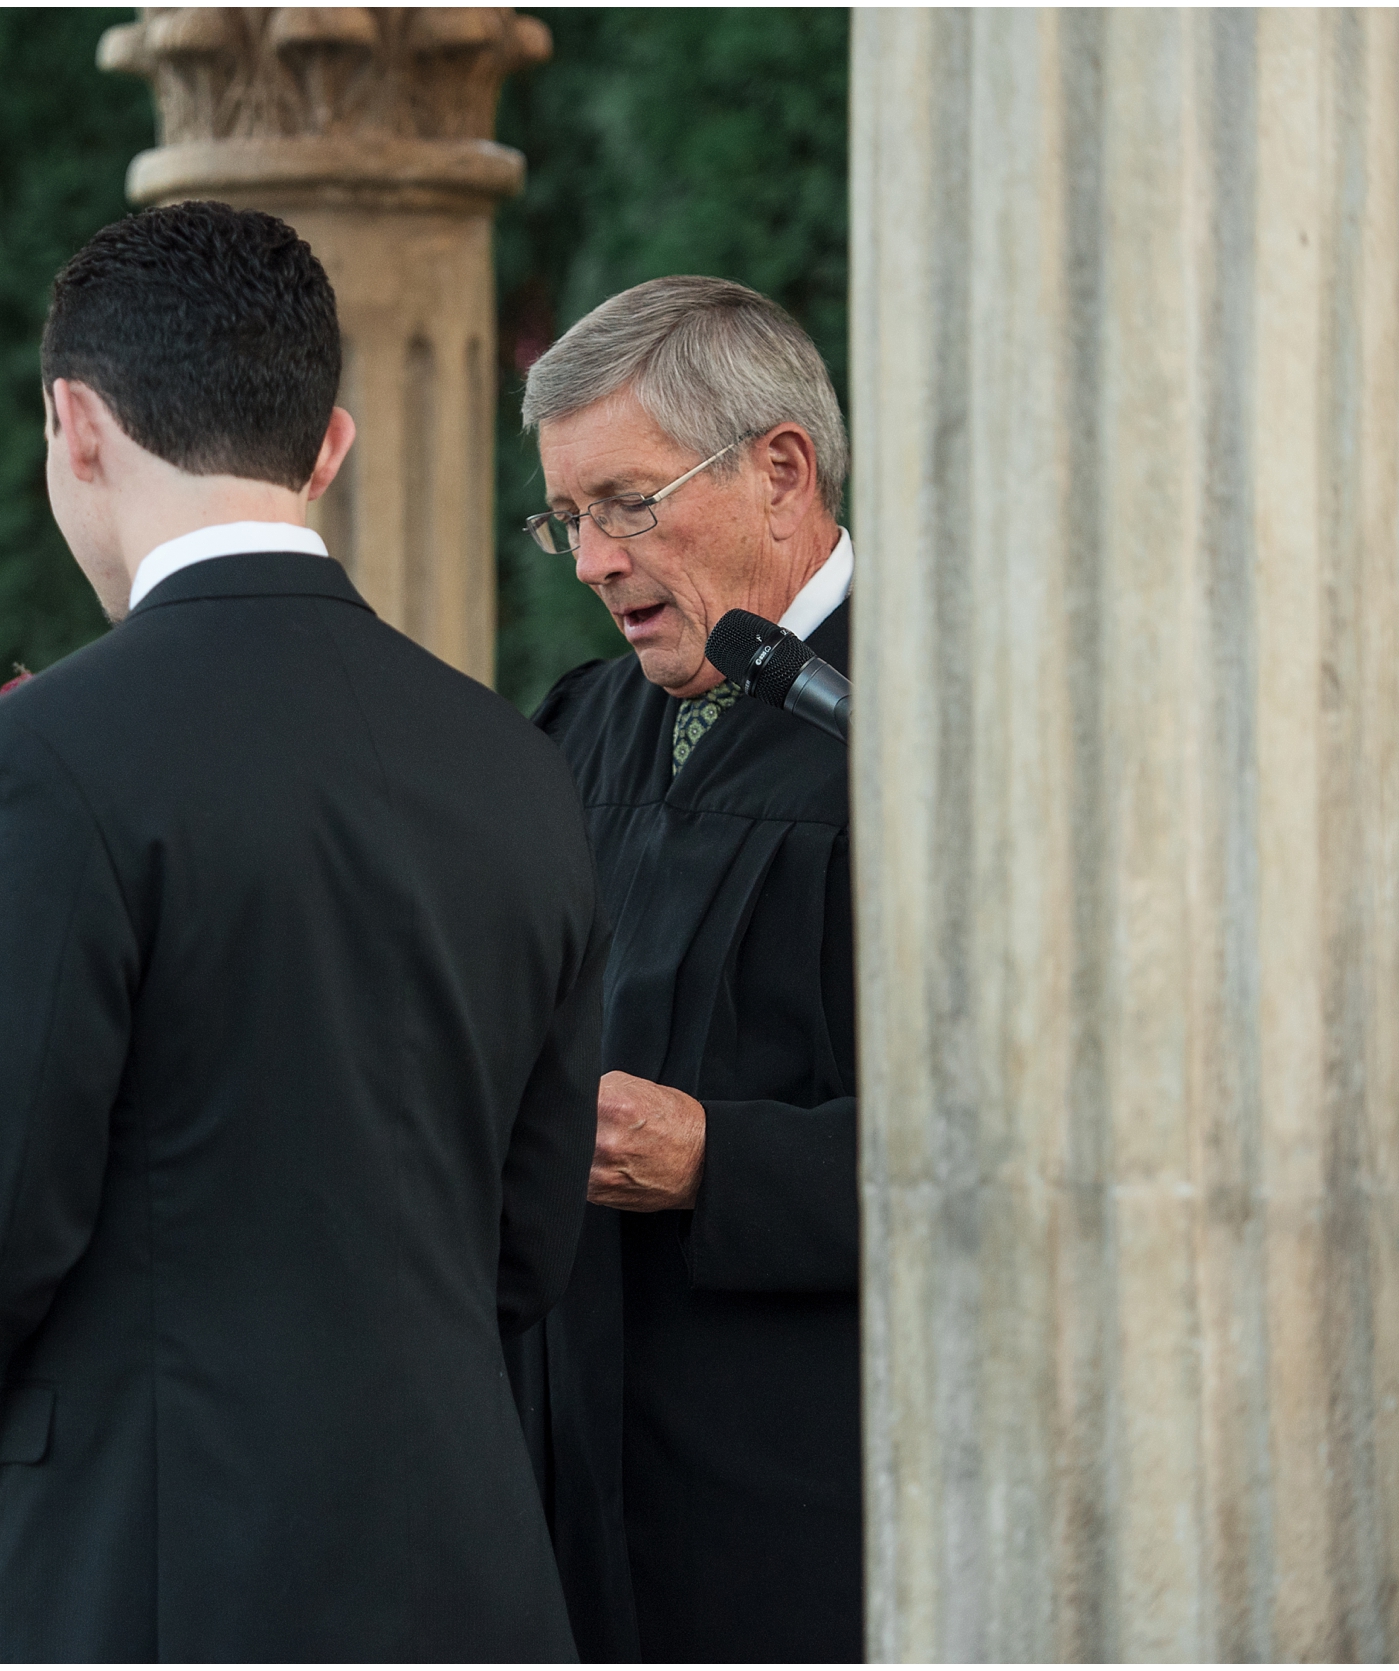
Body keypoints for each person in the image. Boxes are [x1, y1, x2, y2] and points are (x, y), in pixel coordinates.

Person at [0, 201, 609, 1661]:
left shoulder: (45, 758)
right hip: (470, 1568)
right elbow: (528, 1238)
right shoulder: (520, 764)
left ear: (73, 423)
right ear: (328, 444)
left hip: (164, 1565)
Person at [515, 275, 861, 1662]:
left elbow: (1034, 1139)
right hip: (574, 1465)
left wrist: (722, 1157)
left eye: (627, 502)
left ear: (780, 470)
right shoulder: (574, 725)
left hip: (805, 1483)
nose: (595, 559)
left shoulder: (939, 721)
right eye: (568, 519)